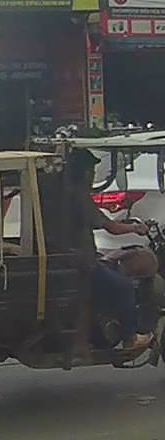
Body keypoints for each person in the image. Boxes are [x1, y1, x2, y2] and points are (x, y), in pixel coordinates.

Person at [71, 148, 154, 352]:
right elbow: (112, 228)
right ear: (85, 172)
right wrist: (135, 228)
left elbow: (104, 224)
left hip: (75, 258)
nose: (92, 175)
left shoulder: (64, 195)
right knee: (125, 287)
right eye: (91, 171)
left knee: (109, 264)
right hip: (82, 263)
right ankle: (130, 338)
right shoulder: (78, 197)